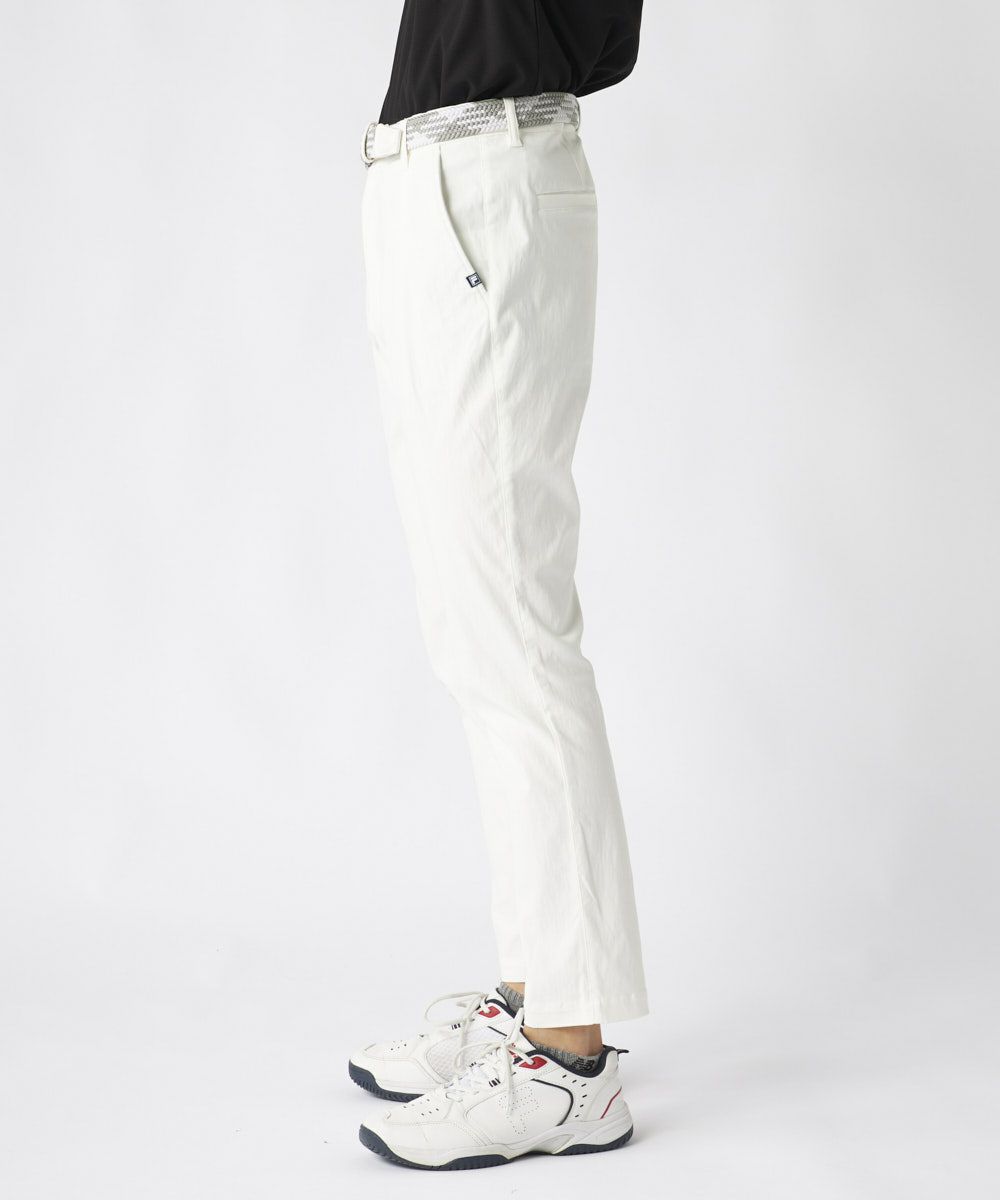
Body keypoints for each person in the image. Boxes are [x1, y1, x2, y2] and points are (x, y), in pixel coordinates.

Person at [352, 0, 648, 1169]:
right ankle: (536, 997)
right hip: (436, 174)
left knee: (514, 631)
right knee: (476, 631)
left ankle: (569, 1065)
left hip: (485, 170)